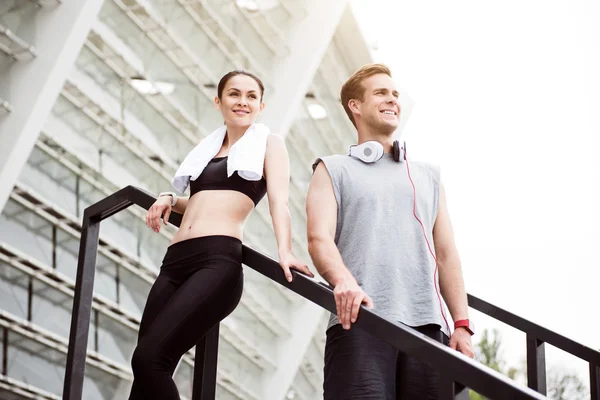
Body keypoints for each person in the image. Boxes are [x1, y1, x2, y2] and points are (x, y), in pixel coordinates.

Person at [130, 70, 313, 399]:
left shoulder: (268, 143)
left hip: (216, 263)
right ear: (219, 101)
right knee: (144, 373)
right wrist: (169, 197)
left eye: (250, 96)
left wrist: (285, 251)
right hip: (174, 264)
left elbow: (279, 202)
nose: (242, 101)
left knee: (148, 360)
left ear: (260, 105)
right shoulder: (207, 150)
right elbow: (200, 202)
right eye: (234, 94)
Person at [306, 63, 474, 399]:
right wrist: (343, 280)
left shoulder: (428, 176)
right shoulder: (332, 168)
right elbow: (318, 238)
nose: (392, 99)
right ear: (355, 106)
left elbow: (446, 254)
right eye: (381, 93)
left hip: (429, 330)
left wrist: (461, 325)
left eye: (395, 94)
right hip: (359, 321)